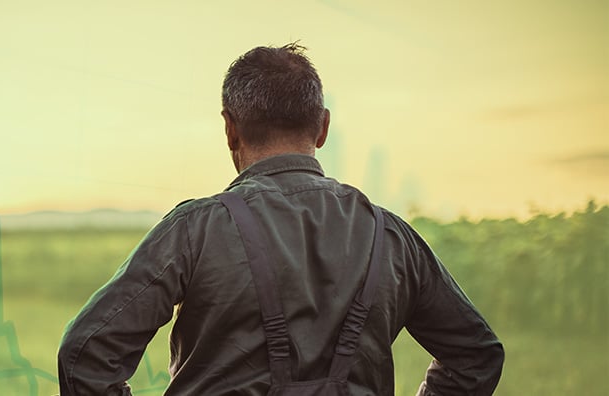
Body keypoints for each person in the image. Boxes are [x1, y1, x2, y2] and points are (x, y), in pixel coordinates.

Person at [57, 43, 504, 395]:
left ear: (230, 128)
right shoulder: (391, 236)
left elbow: (85, 355)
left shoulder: (197, 229)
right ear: (323, 128)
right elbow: (476, 356)